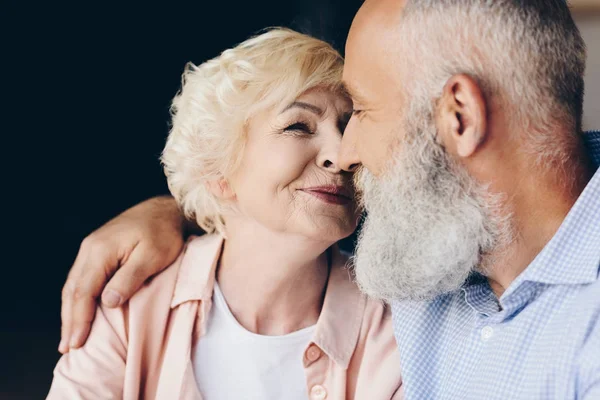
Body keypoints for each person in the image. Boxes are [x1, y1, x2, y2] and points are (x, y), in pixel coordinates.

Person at [61, 1, 600, 399]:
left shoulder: (397, 304)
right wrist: (166, 209)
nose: (344, 154)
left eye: (359, 113)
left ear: (459, 116)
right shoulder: (431, 255)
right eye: (300, 125)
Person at [49, 28, 402, 400]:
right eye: (298, 126)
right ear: (217, 171)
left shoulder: (395, 330)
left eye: (348, 128)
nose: (342, 155)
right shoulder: (130, 305)